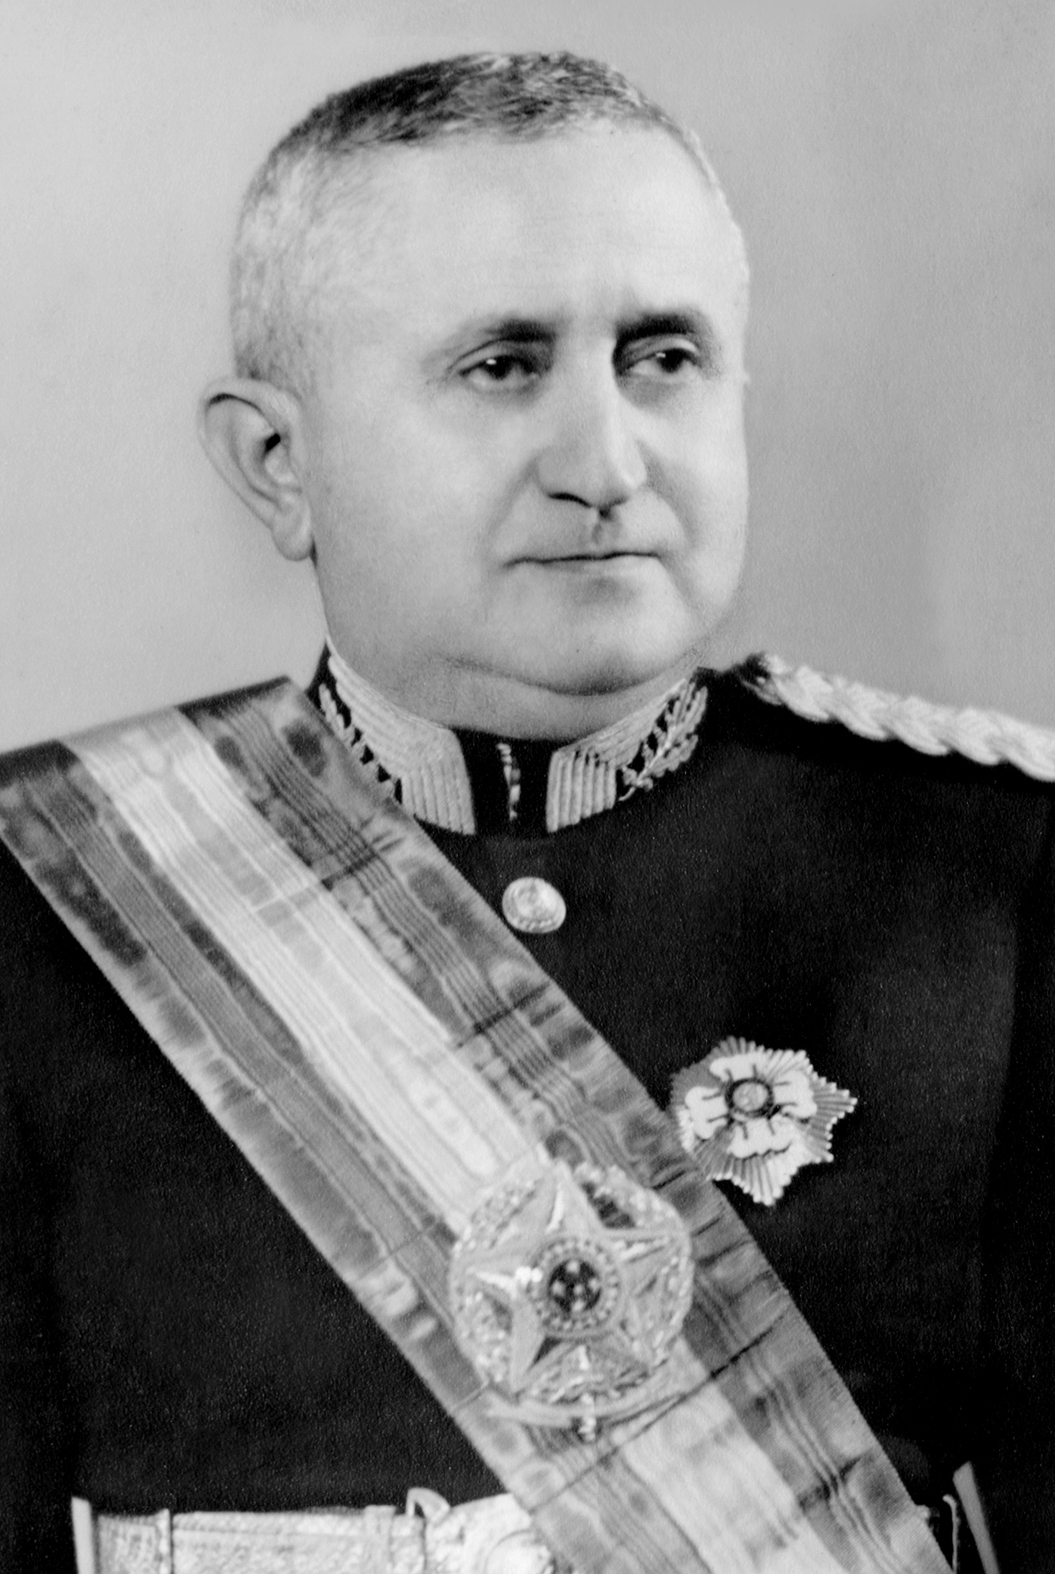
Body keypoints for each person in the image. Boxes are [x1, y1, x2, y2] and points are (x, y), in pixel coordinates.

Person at [1, 49, 1053, 1574]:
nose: (606, 462)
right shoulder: (50, 906)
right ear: (279, 464)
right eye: (503, 366)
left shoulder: (987, 874)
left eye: (663, 356)